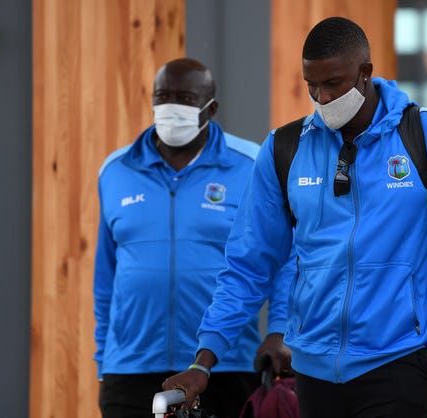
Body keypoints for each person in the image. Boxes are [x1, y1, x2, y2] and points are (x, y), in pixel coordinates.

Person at [162, 17, 427, 418]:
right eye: (311, 85)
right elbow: (248, 265)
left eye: (333, 84)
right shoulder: (284, 149)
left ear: (365, 74)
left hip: (400, 365)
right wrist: (205, 359)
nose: (321, 98)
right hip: (313, 371)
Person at [93, 57, 293, 418]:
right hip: (130, 367)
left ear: (210, 107)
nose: (172, 106)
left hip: (224, 365)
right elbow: (106, 278)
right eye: (163, 96)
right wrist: (103, 362)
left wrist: (279, 329)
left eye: (185, 98)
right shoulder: (115, 171)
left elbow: (282, 259)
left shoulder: (250, 165)